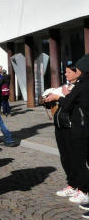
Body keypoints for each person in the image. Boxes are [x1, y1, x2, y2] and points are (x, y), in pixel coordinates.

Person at [45, 64, 87, 202]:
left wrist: (60, 97)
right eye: (65, 72)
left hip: (71, 127)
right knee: (65, 158)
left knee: (75, 159)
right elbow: (51, 101)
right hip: (60, 125)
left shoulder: (80, 87)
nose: (66, 74)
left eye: (69, 72)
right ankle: (72, 184)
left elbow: (71, 104)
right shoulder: (63, 87)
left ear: (77, 73)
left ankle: (82, 187)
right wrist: (48, 98)